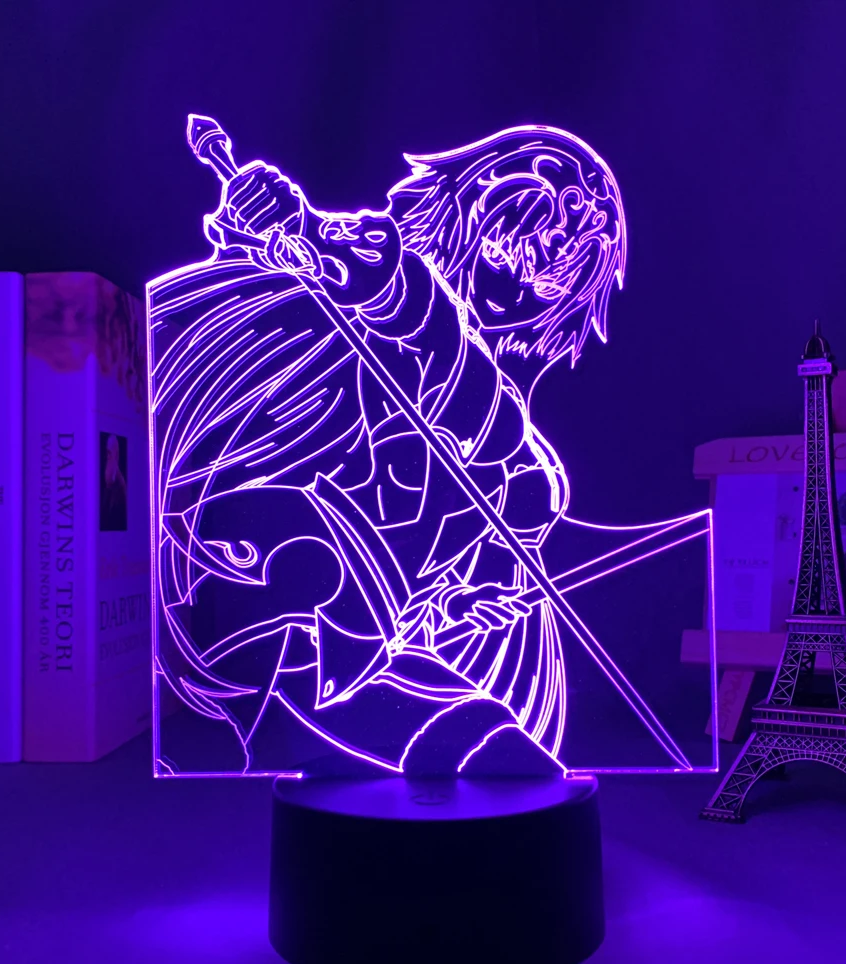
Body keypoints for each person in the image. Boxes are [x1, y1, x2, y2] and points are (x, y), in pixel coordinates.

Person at [151, 125, 626, 775]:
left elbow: (441, 569)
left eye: (552, 274)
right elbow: (395, 303)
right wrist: (268, 237)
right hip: (257, 589)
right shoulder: (374, 288)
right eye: (509, 248)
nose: (566, 228)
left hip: (363, 655)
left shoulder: (518, 471)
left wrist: (458, 601)